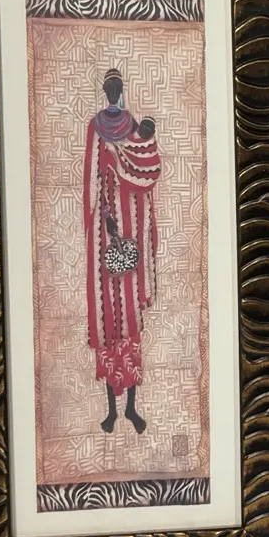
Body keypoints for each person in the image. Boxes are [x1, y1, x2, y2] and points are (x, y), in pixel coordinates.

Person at [83, 67, 160, 435]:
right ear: (106, 91)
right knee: (109, 320)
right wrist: (103, 219)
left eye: (117, 87)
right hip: (107, 232)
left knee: (128, 317)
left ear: (121, 91)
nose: (114, 92)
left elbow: (147, 168)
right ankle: (112, 410)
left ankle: (130, 407)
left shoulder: (133, 127)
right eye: (110, 87)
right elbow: (92, 178)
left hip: (129, 226)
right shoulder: (96, 128)